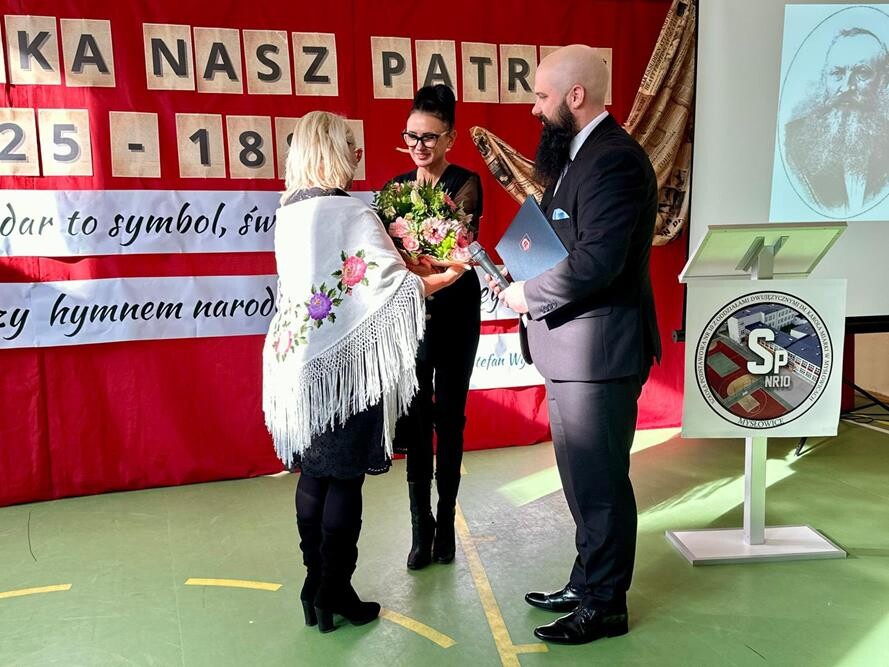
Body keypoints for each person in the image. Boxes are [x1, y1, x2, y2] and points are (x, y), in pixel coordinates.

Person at [262, 111, 466, 633]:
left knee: (314, 474)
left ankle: (314, 585)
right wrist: (445, 277)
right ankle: (336, 590)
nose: (358, 154)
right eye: (350, 144)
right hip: (346, 371)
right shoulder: (352, 213)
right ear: (333, 151)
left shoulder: (288, 211)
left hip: (298, 368)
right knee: (345, 478)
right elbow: (394, 289)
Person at [486, 45, 661, 645]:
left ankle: (605, 606)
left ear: (575, 96)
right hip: (571, 351)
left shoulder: (614, 160)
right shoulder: (576, 157)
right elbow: (557, 240)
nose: (535, 109)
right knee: (582, 481)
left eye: (541, 96)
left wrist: (525, 293)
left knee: (601, 485)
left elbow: (597, 262)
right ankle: (587, 582)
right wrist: (516, 271)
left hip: (598, 355)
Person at [386, 84, 484, 570]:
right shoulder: (394, 189)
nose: (419, 146)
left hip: (458, 314)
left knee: (450, 417)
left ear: (450, 138)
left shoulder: (466, 183)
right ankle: (419, 527)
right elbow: (392, 258)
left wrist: (421, 259)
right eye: (411, 136)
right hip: (412, 315)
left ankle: (446, 522)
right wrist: (426, 258)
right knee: (416, 418)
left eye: (429, 137)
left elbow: (457, 252)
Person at [783, 27, 889, 215]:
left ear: (883, 80)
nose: (846, 87)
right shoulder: (793, 139)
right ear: (824, 80)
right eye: (837, 73)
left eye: (862, 72)